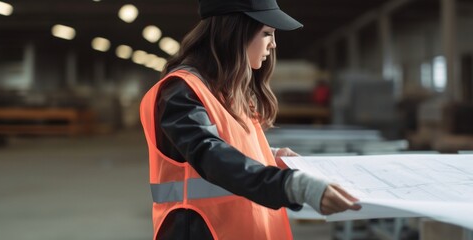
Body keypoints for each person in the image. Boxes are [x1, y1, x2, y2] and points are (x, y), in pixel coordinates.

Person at [139, 0, 361, 239]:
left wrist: (268, 156)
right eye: (267, 34)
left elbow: (228, 145)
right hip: (202, 231)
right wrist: (295, 186)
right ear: (234, 33)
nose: (273, 45)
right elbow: (212, 156)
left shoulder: (226, 92)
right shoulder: (181, 92)